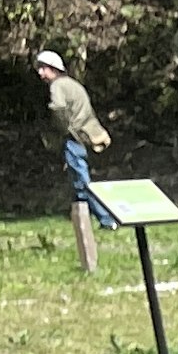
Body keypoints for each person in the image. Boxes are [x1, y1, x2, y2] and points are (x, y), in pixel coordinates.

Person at [38, 50, 117, 227]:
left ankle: (107, 220)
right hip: (83, 137)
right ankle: (81, 220)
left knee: (82, 183)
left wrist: (61, 132)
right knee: (77, 181)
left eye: (43, 68)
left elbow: (58, 109)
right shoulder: (74, 85)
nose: (40, 73)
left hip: (74, 140)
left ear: (54, 69)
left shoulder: (57, 86)